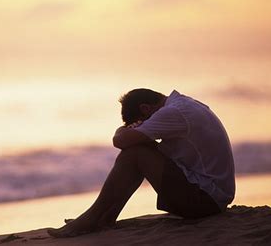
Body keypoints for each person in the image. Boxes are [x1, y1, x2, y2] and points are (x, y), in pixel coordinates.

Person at [48, 88, 235, 238]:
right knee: (139, 148)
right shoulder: (183, 105)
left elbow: (120, 141)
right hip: (212, 194)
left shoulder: (173, 113)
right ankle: (104, 216)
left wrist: (122, 130)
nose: (142, 126)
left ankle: (93, 217)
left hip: (206, 201)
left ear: (146, 109)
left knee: (135, 153)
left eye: (139, 123)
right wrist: (134, 133)